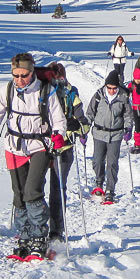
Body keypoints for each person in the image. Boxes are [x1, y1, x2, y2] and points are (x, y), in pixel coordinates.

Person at [0, 53, 67, 261]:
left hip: (39, 146)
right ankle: (24, 236)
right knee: (19, 194)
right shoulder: (7, 91)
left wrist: (58, 136)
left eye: (23, 75)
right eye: (15, 75)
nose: (19, 80)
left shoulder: (45, 91)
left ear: (32, 72)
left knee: (32, 191)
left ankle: (39, 237)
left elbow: (59, 121)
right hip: (14, 146)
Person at [44, 63, 90, 241]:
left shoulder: (71, 93)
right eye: (53, 77)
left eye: (59, 77)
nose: (56, 81)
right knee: (35, 187)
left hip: (64, 147)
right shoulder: (41, 92)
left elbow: (84, 123)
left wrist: (77, 126)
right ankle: (34, 227)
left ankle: (56, 230)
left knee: (57, 188)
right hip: (42, 145)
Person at [84, 70, 133, 204]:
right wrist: (84, 129)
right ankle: (99, 184)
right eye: (109, 88)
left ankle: (110, 190)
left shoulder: (123, 98)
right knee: (97, 160)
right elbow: (90, 113)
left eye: (114, 88)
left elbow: (128, 116)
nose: (111, 91)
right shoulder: (99, 95)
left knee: (112, 163)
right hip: (99, 133)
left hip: (115, 134)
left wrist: (128, 129)